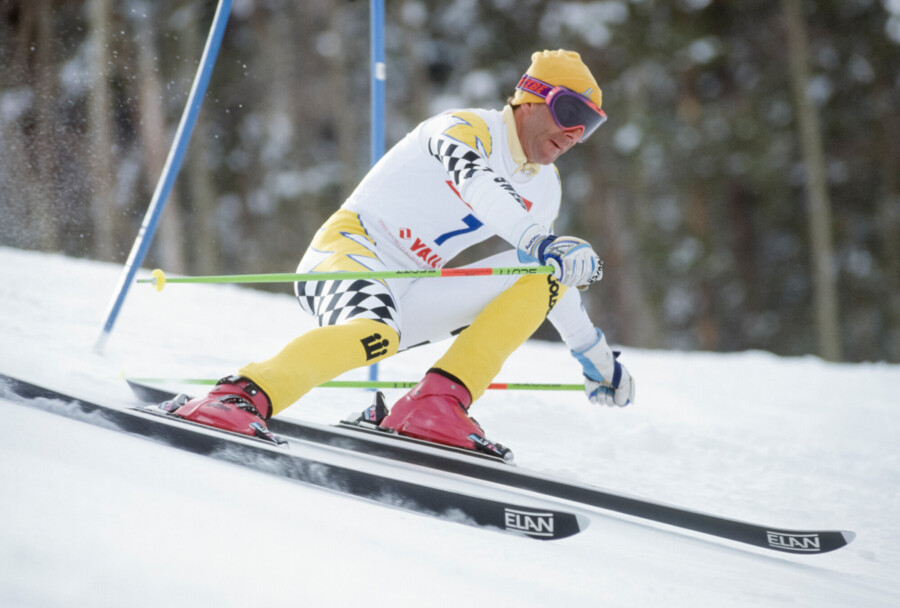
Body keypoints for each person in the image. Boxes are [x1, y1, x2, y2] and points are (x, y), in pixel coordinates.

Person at [168, 49, 635, 456]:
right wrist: (539, 240)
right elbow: (480, 186)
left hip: (413, 285)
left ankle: (436, 403)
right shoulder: (463, 128)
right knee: (373, 330)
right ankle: (239, 396)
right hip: (350, 251)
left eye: (589, 126)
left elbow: (546, 273)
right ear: (529, 99)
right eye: (570, 111)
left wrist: (593, 354)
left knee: (543, 273)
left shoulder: (543, 187)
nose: (576, 133)